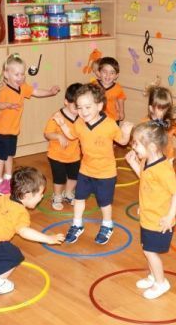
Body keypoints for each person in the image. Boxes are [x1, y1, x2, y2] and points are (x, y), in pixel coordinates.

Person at [53, 83, 133, 245]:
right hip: (86, 171)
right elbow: (71, 135)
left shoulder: (109, 124)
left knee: (104, 202)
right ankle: (77, 224)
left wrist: (126, 132)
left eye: (88, 107)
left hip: (105, 173)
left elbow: (123, 141)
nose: (83, 112)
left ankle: (107, 225)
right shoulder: (79, 123)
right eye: (80, 108)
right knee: (79, 198)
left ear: (99, 106)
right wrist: (62, 125)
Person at [0, 167, 64, 295]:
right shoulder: (20, 213)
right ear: (27, 196)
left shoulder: (4, 197)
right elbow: (24, 232)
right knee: (13, 256)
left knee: (3, 247)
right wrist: (48, 239)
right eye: (40, 194)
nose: (42, 196)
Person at [125, 122, 176, 300]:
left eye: (136, 143)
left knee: (150, 251)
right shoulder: (146, 161)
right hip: (148, 217)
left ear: (151, 147)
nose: (133, 146)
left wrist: (170, 216)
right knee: (146, 248)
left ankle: (161, 283)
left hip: (159, 221)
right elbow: (146, 181)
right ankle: (153, 276)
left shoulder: (164, 170)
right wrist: (133, 164)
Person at [0, 54, 60, 196]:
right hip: (1, 131)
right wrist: (7, 105)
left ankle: (7, 178)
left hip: (12, 131)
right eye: (16, 74)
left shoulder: (23, 87)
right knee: (1, 157)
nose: (20, 77)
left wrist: (50, 92)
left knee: (9, 156)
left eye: (22, 74)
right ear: (6, 74)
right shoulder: (5, 90)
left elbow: (36, 92)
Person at [43, 83, 82, 211]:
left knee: (74, 177)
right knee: (59, 179)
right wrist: (58, 136)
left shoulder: (81, 117)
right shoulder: (57, 117)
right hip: (57, 156)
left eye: (81, 106)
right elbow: (47, 133)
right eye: (76, 106)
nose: (79, 109)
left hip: (74, 155)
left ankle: (69, 193)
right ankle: (57, 196)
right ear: (66, 102)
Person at [97, 56, 127, 122]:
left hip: (113, 118)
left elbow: (120, 99)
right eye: (105, 72)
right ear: (99, 73)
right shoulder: (94, 85)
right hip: (96, 118)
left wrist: (122, 111)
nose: (108, 75)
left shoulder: (118, 88)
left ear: (116, 75)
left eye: (112, 73)